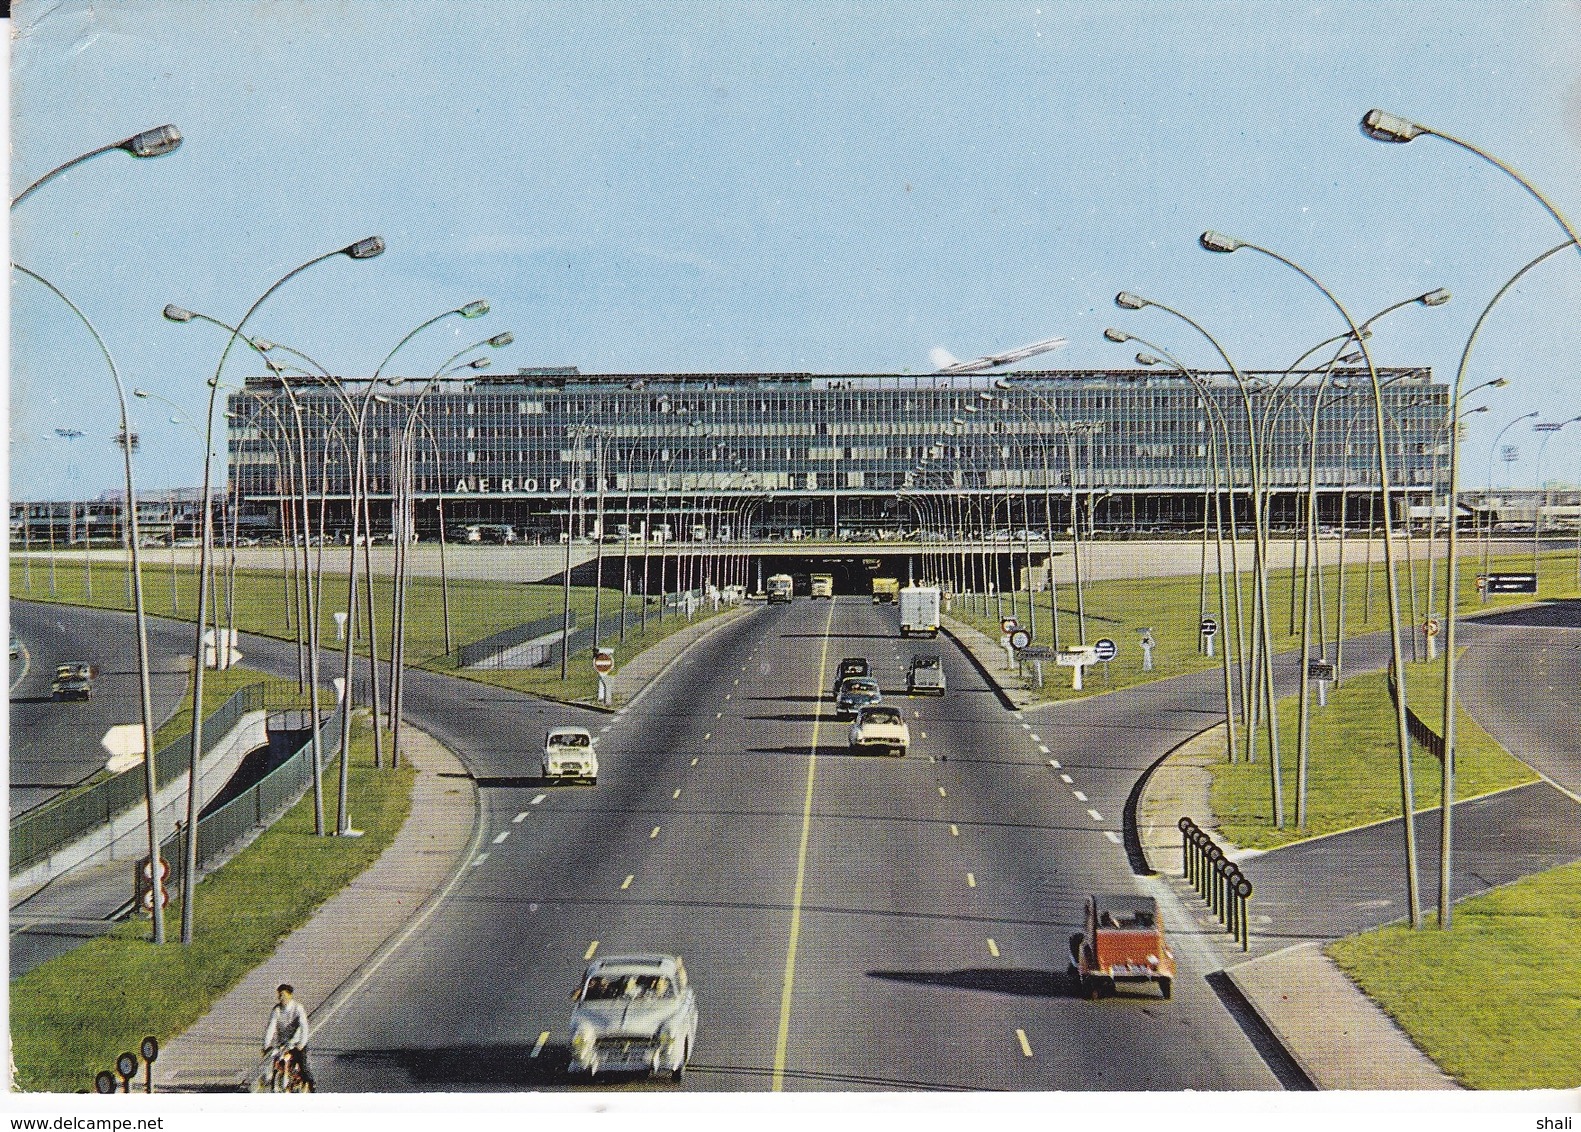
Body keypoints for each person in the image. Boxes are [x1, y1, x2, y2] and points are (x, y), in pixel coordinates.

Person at [262, 983, 314, 1090]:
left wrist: (301, 1044)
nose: (281, 998)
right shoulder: (276, 1010)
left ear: (290, 995)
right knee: (276, 1062)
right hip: (283, 1043)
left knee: (303, 1065)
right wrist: (266, 1045)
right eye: (279, 995)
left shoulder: (298, 1008)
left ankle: (311, 1084)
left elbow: (304, 1027)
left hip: (297, 1042)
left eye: (283, 995)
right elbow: (270, 1028)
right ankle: (275, 1083)